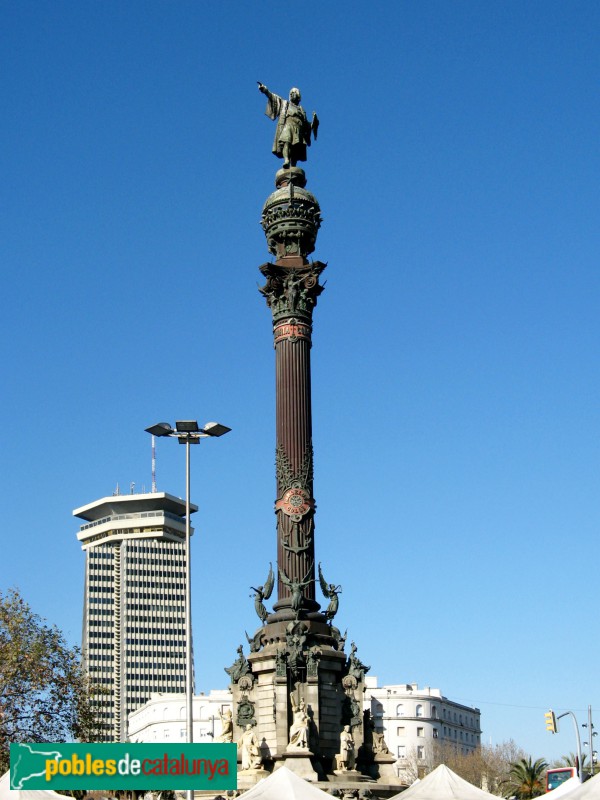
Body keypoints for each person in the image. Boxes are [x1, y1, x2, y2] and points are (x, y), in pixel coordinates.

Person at [258, 83, 319, 168]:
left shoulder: (301, 110)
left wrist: (314, 122)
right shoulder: (285, 104)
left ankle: (293, 165)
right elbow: (274, 98)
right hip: (288, 126)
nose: (292, 95)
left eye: (294, 93)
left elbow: (306, 126)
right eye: (291, 93)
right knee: (287, 142)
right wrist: (265, 91)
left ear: (298, 96)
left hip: (298, 128)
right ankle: (286, 160)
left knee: (296, 147)